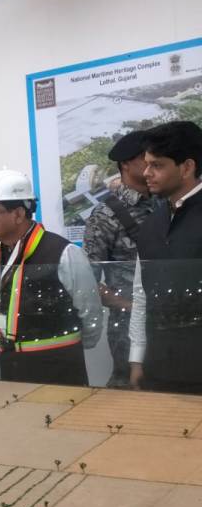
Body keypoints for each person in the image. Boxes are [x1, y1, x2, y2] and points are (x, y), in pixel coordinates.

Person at [0, 169, 102, 385]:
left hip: (60, 366)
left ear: (18, 214)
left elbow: (90, 310)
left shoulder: (63, 252)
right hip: (11, 364)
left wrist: (76, 345)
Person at [129, 120, 202, 393]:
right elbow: (141, 293)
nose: (146, 173)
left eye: (157, 165)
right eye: (146, 164)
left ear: (187, 167)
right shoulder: (152, 223)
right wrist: (137, 357)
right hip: (160, 362)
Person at [83, 130, 153, 386]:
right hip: (127, 326)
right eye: (145, 157)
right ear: (126, 164)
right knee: (130, 387)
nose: (151, 161)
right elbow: (88, 280)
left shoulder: (165, 205)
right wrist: (130, 306)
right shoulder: (104, 215)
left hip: (168, 322)